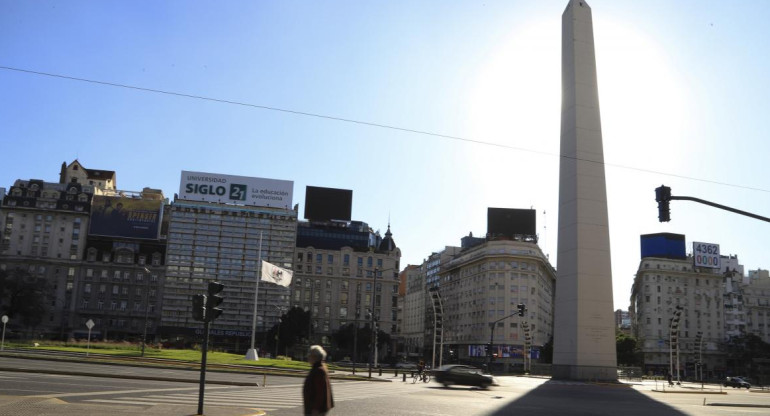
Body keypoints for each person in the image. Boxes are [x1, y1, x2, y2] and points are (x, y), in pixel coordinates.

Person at [303, 345, 334, 416]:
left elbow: (321, 392)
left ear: (315, 357)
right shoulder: (319, 368)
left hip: (316, 410)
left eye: (309, 355)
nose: (308, 357)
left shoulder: (318, 370)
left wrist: (316, 408)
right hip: (315, 409)